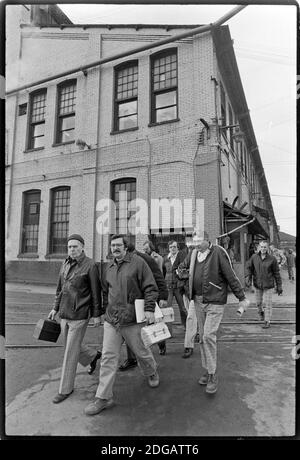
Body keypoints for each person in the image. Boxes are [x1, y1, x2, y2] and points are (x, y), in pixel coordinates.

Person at [84, 234, 160, 416]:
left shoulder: (138, 263)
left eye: (118, 245)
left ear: (126, 247)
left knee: (141, 352)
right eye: (112, 245)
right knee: (109, 357)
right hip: (112, 320)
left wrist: (149, 309)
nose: (115, 248)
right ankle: (103, 397)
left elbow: (151, 286)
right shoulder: (108, 267)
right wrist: (101, 313)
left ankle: (151, 371)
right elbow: (105, 292)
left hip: (132, 318)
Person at [177, 234, 249, 394]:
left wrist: (241, 297)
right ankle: (208, 369)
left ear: (207, 240)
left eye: (198, 241)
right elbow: (181, 268)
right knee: (202, 337)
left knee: (208, 335)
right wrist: (181, 273)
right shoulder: (193, 253)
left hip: (215, 301)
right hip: (197, 301)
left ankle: (213, 375)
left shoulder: (218, 253)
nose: (195, 244)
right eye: (193, 241)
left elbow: (230, 276)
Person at [48, 234, 103, 403]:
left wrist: (96, 315)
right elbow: (60, 289)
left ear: (82, 247)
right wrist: (54, 308)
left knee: (70, 351)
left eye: (75, 246)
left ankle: (65, 389)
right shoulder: (65, 263)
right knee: (70, 346)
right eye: (69, 247)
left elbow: (96, 292)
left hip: (80, 314)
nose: (72, 249)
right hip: (64, 312)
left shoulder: (90, 265)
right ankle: (93, 356)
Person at [118, 244, 169, 371]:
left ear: (130, 251)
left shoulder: (146, 259)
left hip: (147, 299)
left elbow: (159, 277)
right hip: (130, 303)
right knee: (130, 331)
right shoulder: (121, 261)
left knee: (153, 327)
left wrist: (163, 296)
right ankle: (132, 359)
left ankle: (161, 343)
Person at [245, 240, 282, 329]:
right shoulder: (254, 257)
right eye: (261, 247)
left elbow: (276, 273)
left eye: (265, 247)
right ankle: (261, 312)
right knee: (258, 303)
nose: (263, 249)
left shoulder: (272, 259)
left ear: (267, 248)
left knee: (268, 303)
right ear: (259, 247)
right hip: (257, 284)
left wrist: (279, 286)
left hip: (268, 285)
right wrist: (248, 277)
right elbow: (249, 267)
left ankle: (267, 321)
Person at [163, 240, 187, 328]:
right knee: (167, 309)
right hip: (168, 286)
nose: (172, 248)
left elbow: (185, 270)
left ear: (177, 248)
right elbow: (163, 272)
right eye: (171, 247)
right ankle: (168, 330)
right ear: (168, 248)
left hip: (179, 287)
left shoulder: (182, 256)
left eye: (174, 247)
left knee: (183, 308)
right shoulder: (166, 258)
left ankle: (187, 327)